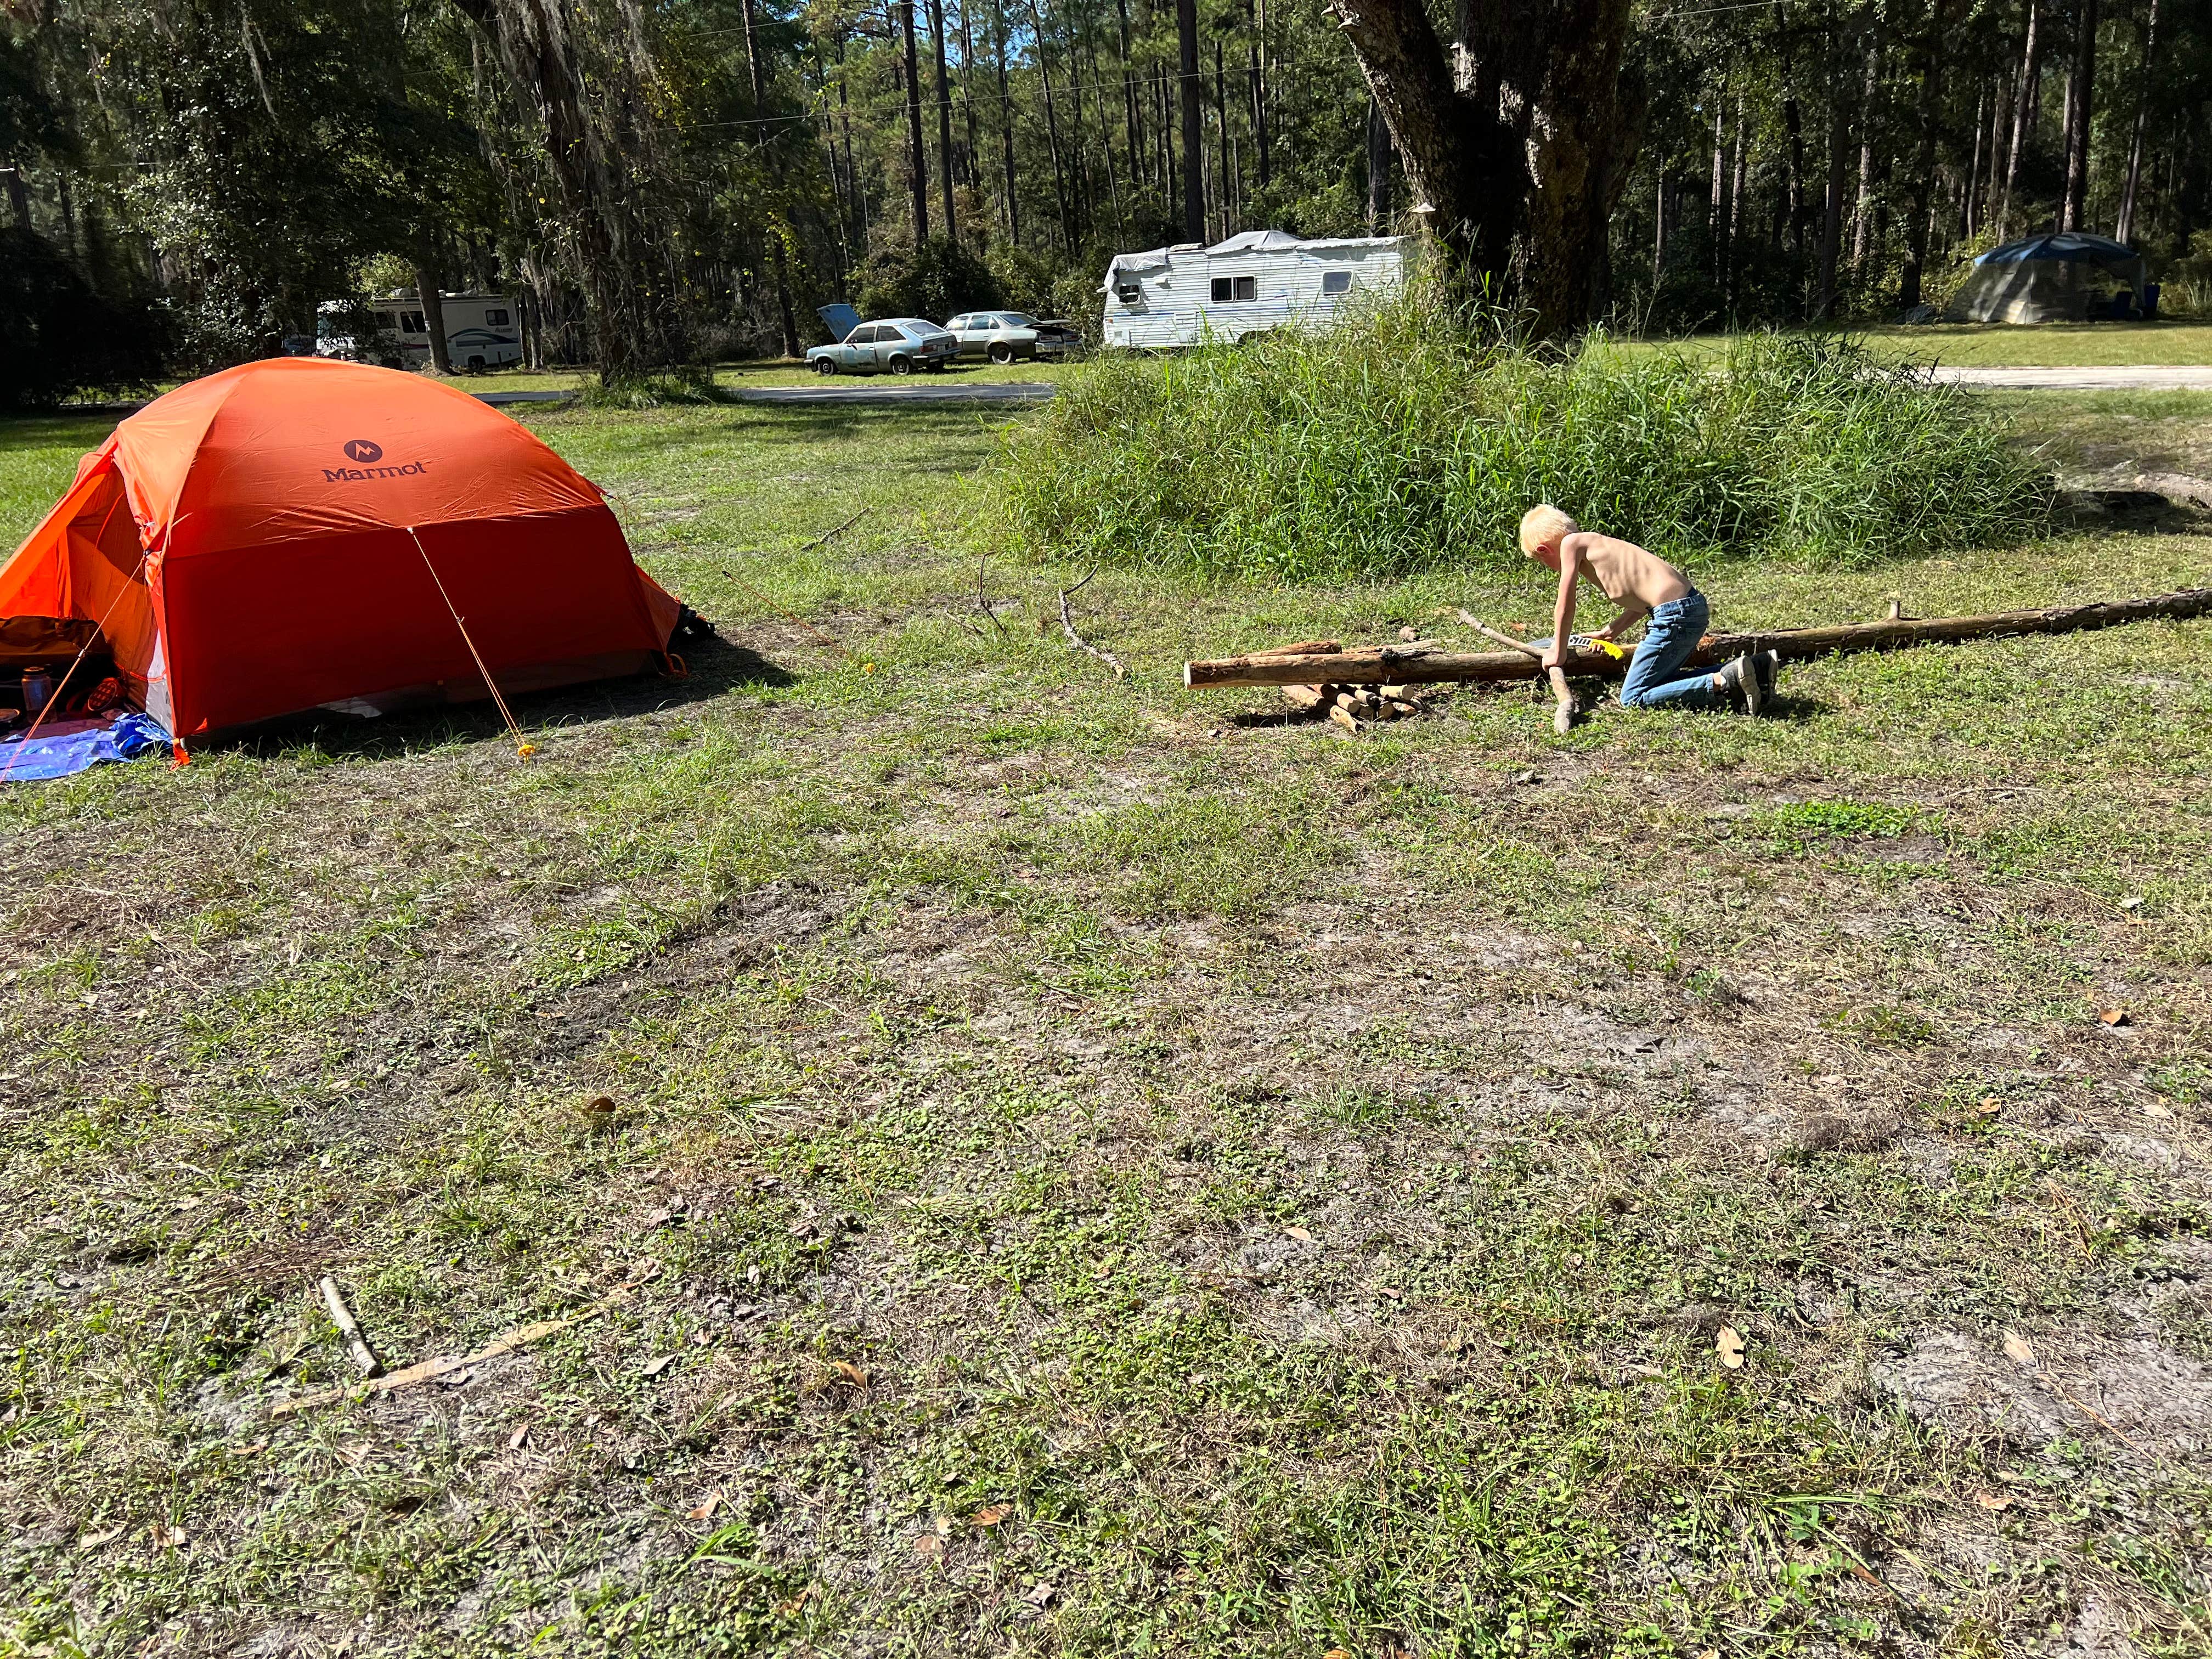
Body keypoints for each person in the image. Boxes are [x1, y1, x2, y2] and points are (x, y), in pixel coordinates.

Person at [1519, 504, 1777, 714]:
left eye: (1542, 561)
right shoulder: (1597, 545)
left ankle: (1724, 681)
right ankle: (1753, 667)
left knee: (1633, 697)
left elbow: (1565, 603)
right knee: (1662, 678)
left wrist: (1559, 652)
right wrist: (1611, 631)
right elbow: (1644, 601)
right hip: (1688, 608)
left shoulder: (1571, 545)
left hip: (1674, 616)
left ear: (1543, 550)